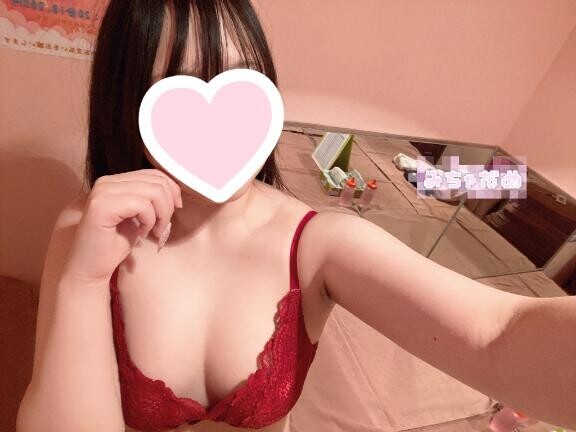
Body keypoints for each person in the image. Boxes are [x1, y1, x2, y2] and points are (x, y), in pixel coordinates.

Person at [15, 1, 576, 432]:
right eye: (178, 90)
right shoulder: (90, 228)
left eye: (241, 84)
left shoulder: (316, 244)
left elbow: (496, 333)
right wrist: (82, 281)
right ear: (127, 104)